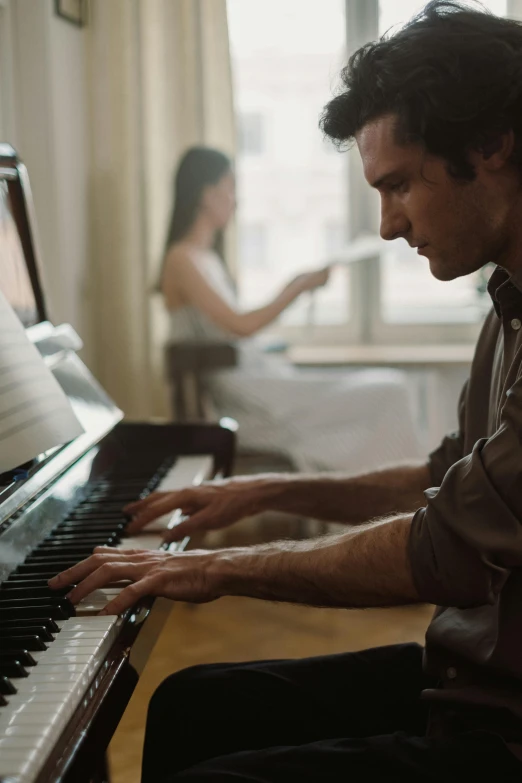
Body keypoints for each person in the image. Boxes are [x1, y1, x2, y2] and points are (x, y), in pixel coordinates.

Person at [50, 1, 522, 780]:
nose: (386, 226)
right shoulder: (503, 305)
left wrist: (219, 568)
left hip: (504, 725)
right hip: (471, 676)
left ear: (491, 144)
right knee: (187, 706)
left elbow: (444, 545)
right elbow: (446, 475)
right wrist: (265, 489)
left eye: (399, 185)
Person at [161, 146, 422, 472]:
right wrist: (297, 286)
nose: (235, 200)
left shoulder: (206, 258)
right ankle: (403, 497)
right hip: (243, 399)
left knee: (389, 387)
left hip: (256, 381)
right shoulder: (183, 259)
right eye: (230, 189)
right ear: (206, 194)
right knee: (389, 391)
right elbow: (241, 326)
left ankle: (397, 495)